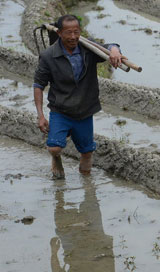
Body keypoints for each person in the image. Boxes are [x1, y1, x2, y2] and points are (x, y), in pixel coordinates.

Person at [33, 14, 125, 179]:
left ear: (80, 32)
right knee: (54, 147)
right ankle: (56, 159)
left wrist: (115, 51)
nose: (73, 37)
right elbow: (39, 85)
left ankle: (87, 185)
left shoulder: (88, 49)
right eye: (68, 33)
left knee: (87, 152)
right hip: (60, 109)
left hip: (84, 109)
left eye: (76, 32)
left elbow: (110, 46)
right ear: (59, 33)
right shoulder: (48, 56)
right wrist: (40, 116)